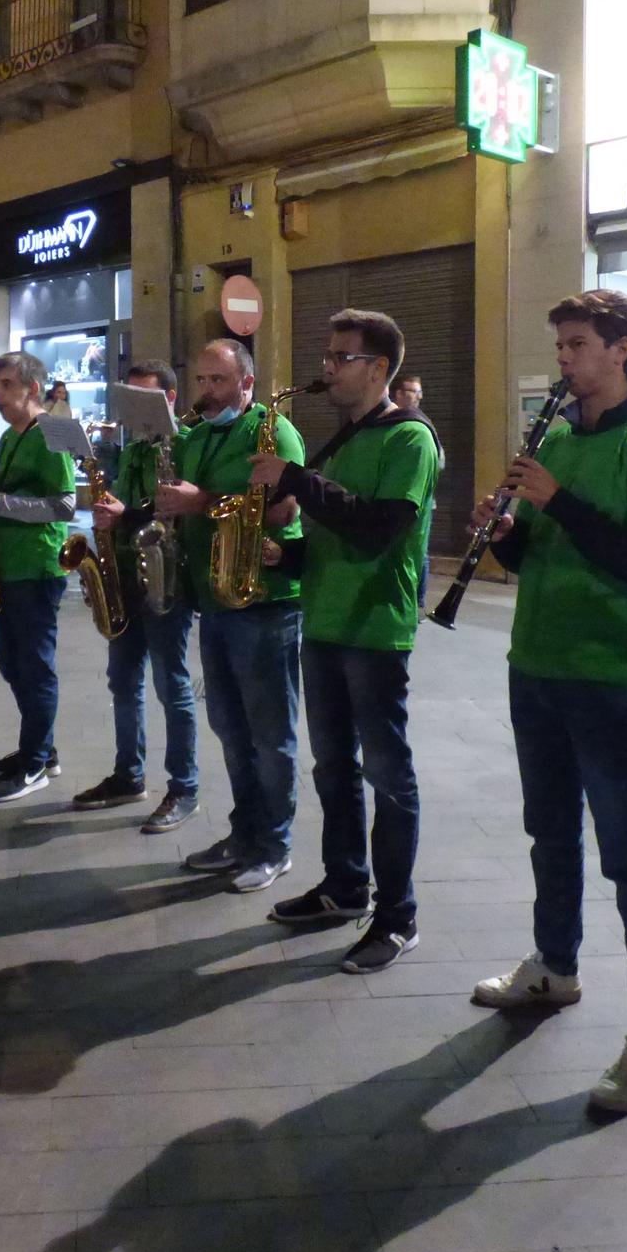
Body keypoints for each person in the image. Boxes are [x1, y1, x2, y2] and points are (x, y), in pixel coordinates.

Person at [469, 289, 627, 1118]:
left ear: (620, 350)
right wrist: (505, 530)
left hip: (608, 676)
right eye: (560, 345)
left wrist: (557, 498)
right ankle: (554, 966)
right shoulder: (561, 437)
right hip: (537, 664)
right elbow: (539, 557)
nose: (564, 360)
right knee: (549, 830)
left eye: (577, 345)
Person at [257, 312, 440, 974]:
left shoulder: (410, 439)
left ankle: (398, 916)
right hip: (325, 623)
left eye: (341, 356)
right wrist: (288, 556)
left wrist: (296, 477)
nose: (327, 367)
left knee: (388, 776)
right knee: (333, 769)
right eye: (329, 355)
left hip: (374, 631)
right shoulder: (346, 439)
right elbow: (334, 533)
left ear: (377, 367)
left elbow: (378, 529)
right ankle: (344, 886)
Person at [156, 338, 306, 894]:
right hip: (215, 597)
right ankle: (245, 834)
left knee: (270, 734)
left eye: (218, 381)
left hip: (263, 600)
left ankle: (275, 845)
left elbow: (286, 506)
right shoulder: (196, 435)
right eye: (200, 380)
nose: (206, 392)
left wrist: (199, 502)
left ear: (246, 383)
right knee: (229, 727)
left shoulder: (272, 430)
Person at [73, 359, 202, 832]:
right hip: (126, 573)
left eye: (144, 399)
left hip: (166, 578)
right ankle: (129, 774)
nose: (133, 410)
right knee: (122, 682)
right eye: (128, 398)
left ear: (169, 400)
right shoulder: (130, 449)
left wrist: (126, 515)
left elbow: (174, 508)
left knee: (173, 686)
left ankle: (183, 786)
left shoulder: (185, 444)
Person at [0, 351, 75, 802]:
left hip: (36, 565)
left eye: (6, 385)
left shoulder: (53, 431)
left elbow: (65, 505)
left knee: (34, 668)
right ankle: (39, 746)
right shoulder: (11, 436)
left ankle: (35, 764)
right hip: (7, 565)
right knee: (12, 664)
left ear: (32, 389)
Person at [390, 370, 446, 606]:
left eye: (419, 392)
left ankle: (418, 602)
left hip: (419, 502)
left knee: (419, 553)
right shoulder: (389, 420)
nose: (419, 397)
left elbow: (440, 461)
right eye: (414, 391)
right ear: (398, 393)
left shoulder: (420, 424)